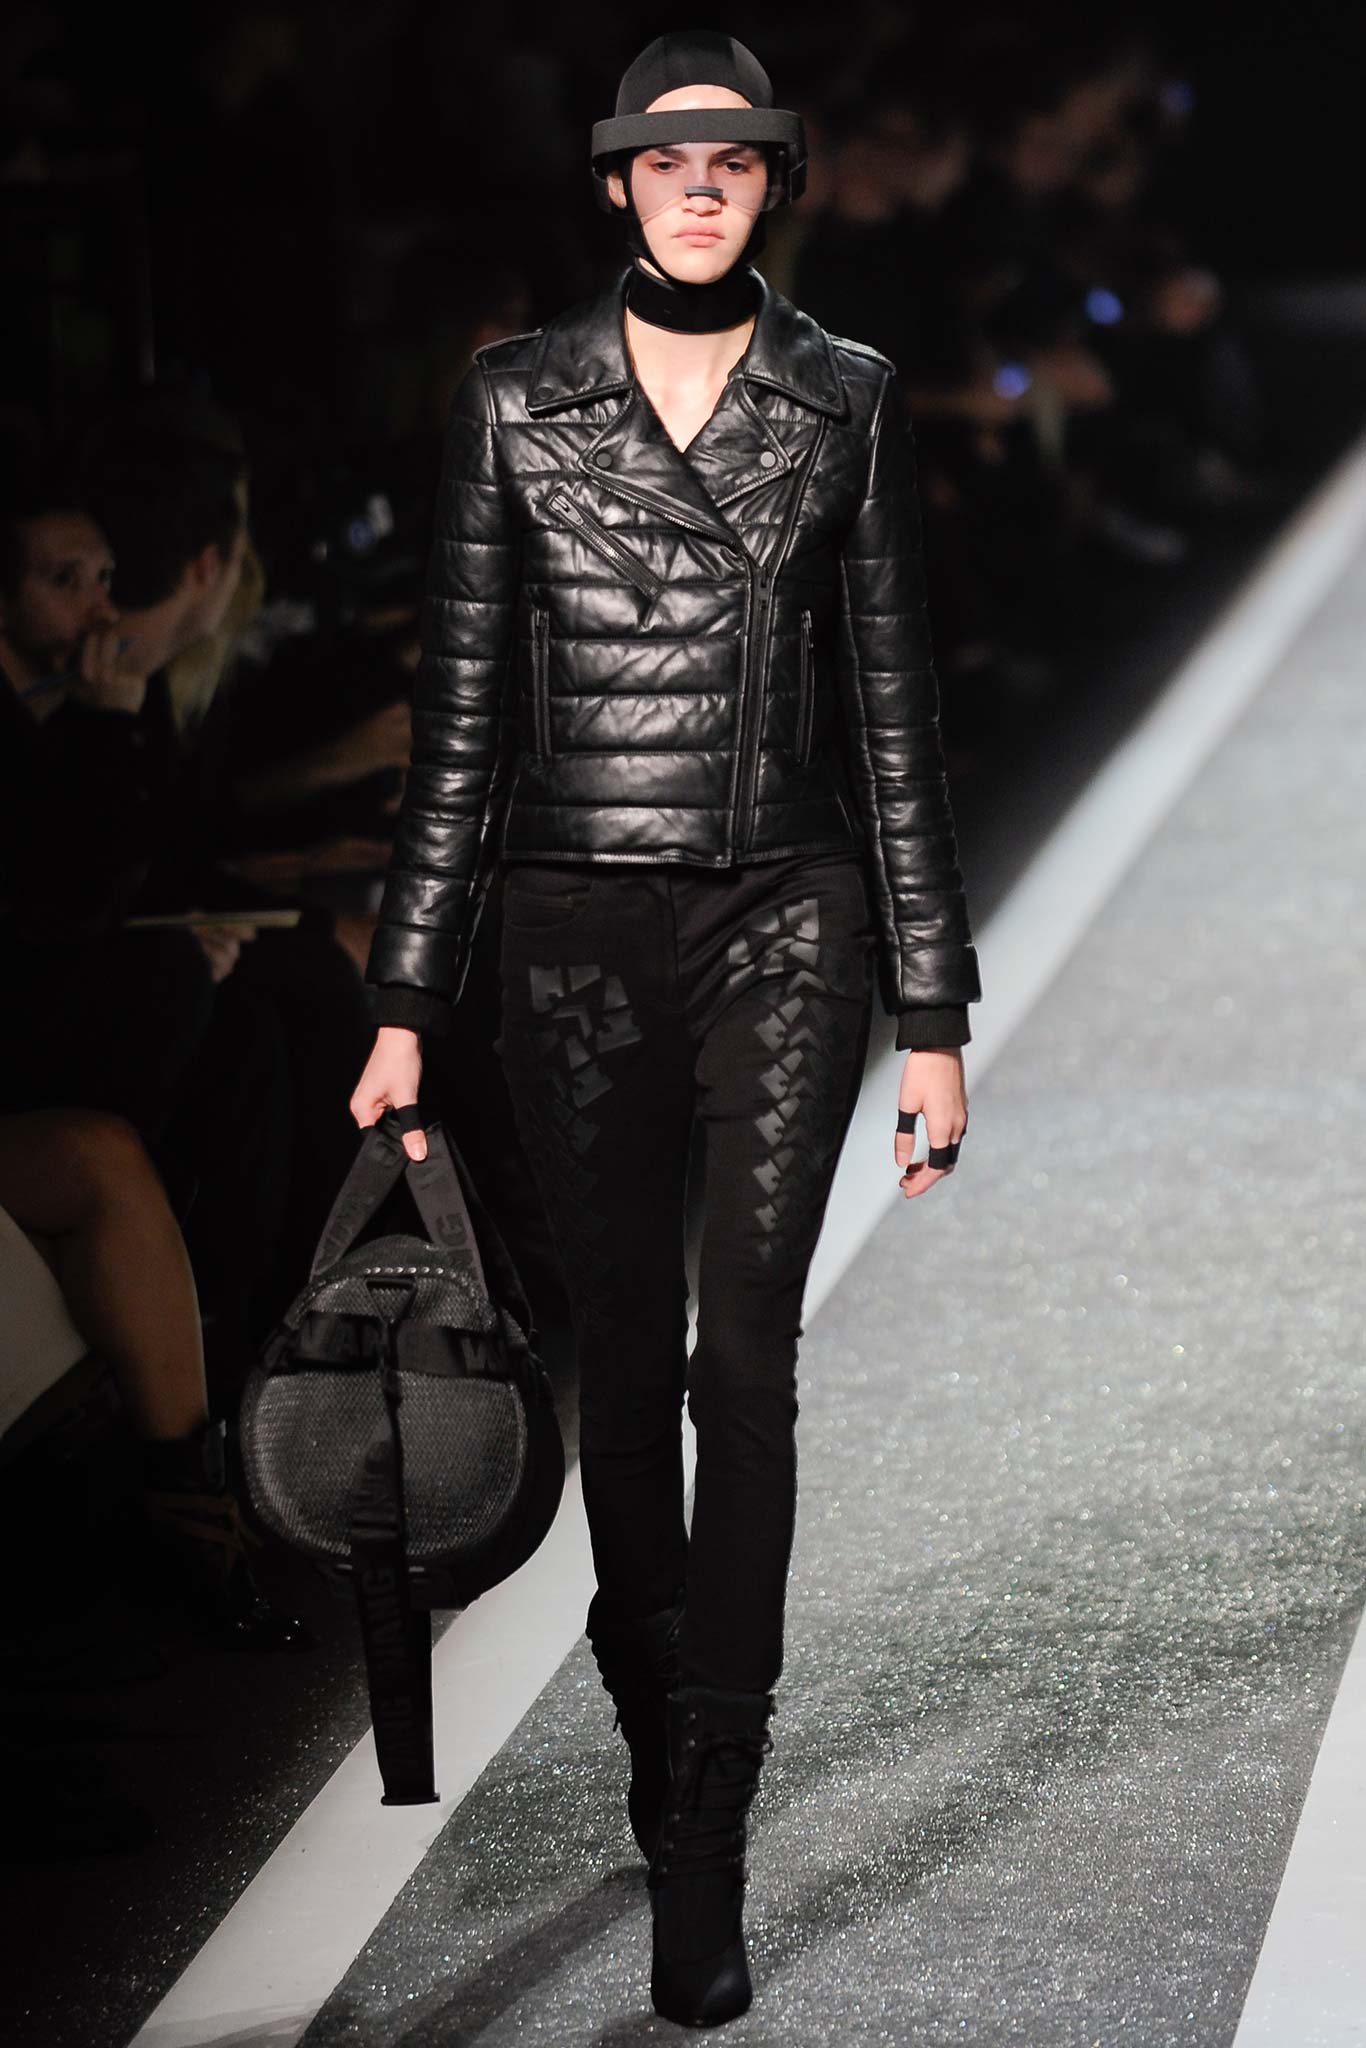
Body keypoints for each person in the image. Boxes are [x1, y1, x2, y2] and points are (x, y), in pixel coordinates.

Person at [350, 30, 980, 2028]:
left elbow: (894, 711)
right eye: (665, 160)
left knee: (745, 1365)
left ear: (770, 184)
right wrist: (402, 996)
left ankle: (707, 1821)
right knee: (618, 1370)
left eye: (732, 161)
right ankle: (657, 1722)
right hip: (571, 931)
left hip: (784, 914)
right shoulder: (510, 401)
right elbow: (461, 718)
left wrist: (932, 1006)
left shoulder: (843, 397)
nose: (700, 188)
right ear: (616, 183)